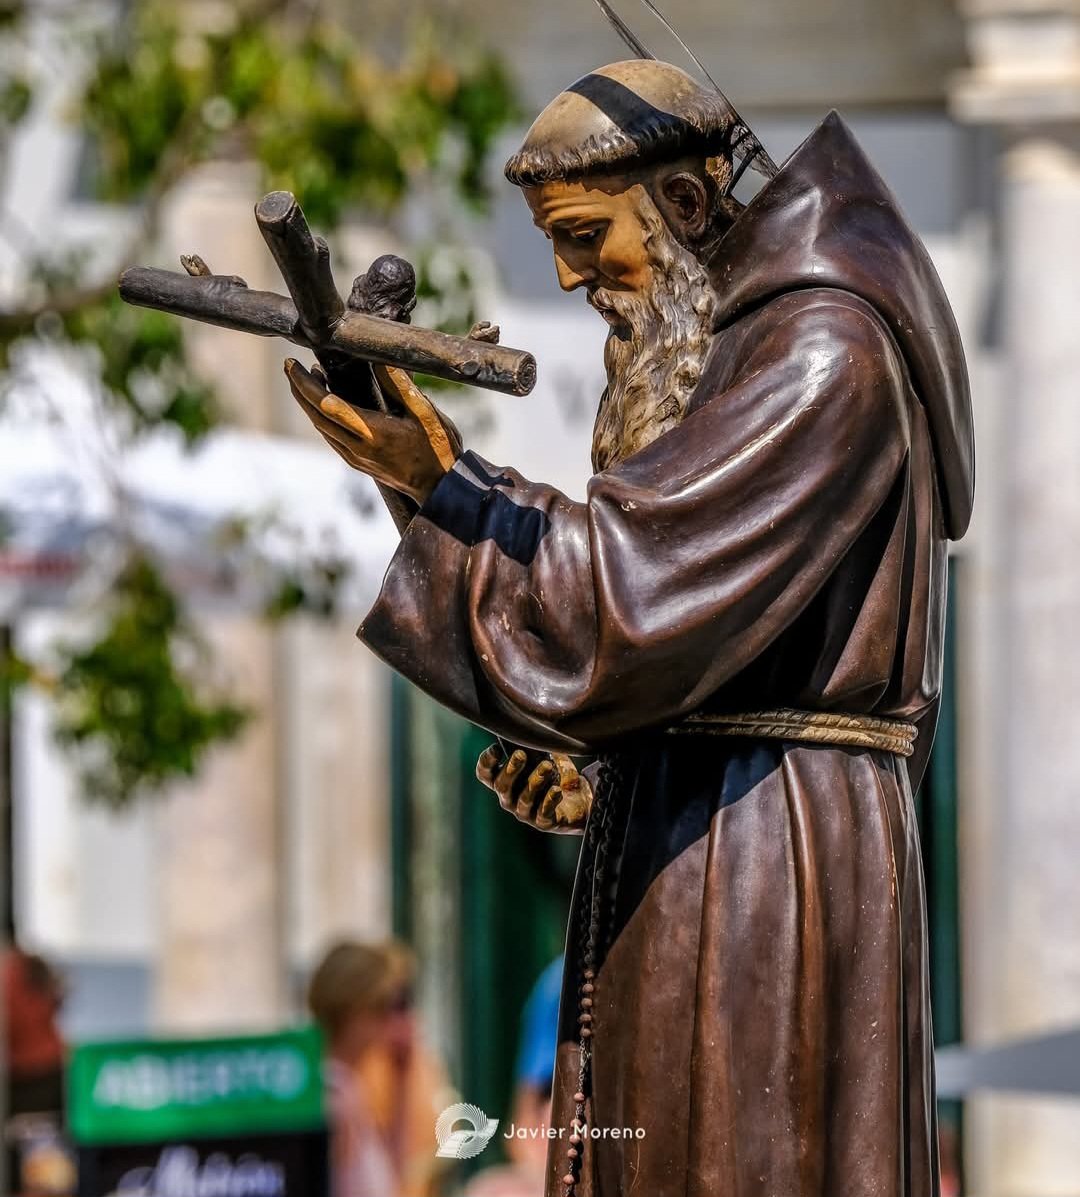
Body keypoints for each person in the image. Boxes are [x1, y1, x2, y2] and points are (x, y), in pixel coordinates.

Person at [287, 57, 973, 1197]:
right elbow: (675, 616)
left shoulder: (824, 353)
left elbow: (629, 595)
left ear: (691, 206)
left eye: (585, 234)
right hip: (714, 834)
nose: (567, 278)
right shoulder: (750, 348)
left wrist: (446, 481)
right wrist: (619, 776)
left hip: (772, 871)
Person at [307, 941, 416, 1197]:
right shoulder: (334, 1098)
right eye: (391, 1005)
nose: (398, 1019)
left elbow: (388, 1180)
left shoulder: (348, 1087)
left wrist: (402, 1078)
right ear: (355, 1010)